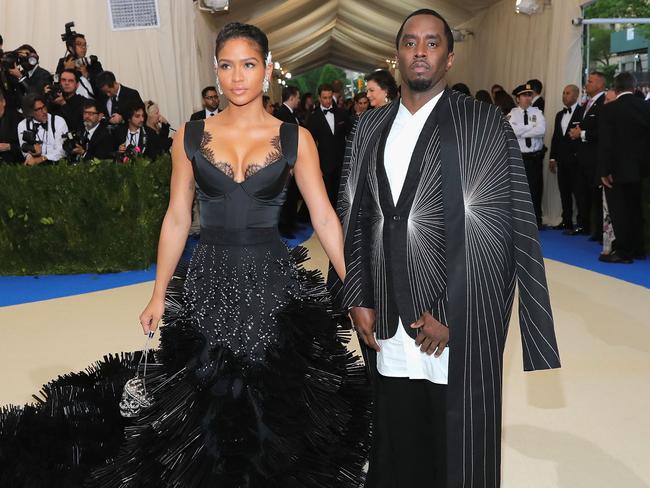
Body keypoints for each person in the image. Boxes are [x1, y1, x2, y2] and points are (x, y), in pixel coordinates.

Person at [0, 22, 370, 487]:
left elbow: (324, 217)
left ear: (267, 70)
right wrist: (157, 295)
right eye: (228, 66)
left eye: (249, 65)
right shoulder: (190, 137)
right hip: (208, 282)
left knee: (273, 401)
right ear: (216, 70)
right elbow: (177, 217)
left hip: (274, 286)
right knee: (207, 402)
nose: (238, 76)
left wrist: (356, 292)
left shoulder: (296, 138)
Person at [329, 9, 560, 488]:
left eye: (432, 43)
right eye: (410, 42)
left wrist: (460, 314)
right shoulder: (370, 128)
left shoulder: (481, 125)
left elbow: (499, 230)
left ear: (450, 58)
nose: (420, 51)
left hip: (450, 327)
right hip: (389, 317)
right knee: (395, 442)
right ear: (396, 55)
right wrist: (357, 297)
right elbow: (355, 216)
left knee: (455, 449)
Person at [598, 72, 650, 263]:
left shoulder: (609, 110)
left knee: (620, 213)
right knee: (636, 210)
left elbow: (605, 144)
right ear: (634, 87)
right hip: (640, 170)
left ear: (616, 88)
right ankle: (638, 249)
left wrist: (603, 171)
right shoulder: (645, 107)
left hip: (616, 171)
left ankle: (624, 252)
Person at [569, 71, 606, 238]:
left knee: (595, 197)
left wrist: (581, 134)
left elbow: (600, 131)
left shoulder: (604, 102)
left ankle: (597, 230)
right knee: (582, 193)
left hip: (595, 158)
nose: (587, 84)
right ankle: (584, 225)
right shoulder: (586, 103)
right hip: (583, 157)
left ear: (599, 84)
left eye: (590, 81)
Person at [306, 82, 351, 206]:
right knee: (327, 196)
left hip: (342, 162)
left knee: (342, 195)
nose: (327, 101)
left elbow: (350, 136)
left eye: (330, 97)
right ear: (319, 98)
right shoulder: (313, 118)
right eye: (324, 98)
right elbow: (310, 145)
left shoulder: (342, 113)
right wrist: (316, 166)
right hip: (324, 164)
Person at [508, 83, 546, 229]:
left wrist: (521, 130)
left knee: (536, 190)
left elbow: (541, 131)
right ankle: (521, 222)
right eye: (524, 95)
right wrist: (530, 127)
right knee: (519, 191)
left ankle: (537, 220)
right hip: (519, 158)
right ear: (518, 98)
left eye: (530, 95)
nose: (528, 98)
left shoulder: (537, 112)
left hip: (534, 158)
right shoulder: (512, 113)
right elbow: (512, 131)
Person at [549, 84, 583, 231]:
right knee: (564, 192)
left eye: (567, 93)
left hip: (577, 161)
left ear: (576, 96)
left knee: (579, 193)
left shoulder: (582, 113)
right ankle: (566, 221)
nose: (564, 95)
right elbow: (556, 138)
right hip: (562, 161)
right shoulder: (559, 115)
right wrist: (552, 158)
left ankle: (582, 224)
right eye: (563, 93)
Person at [17, 93, 68, 164]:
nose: (44, 111)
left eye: (44, 107)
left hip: (56, 164)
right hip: (34, 165)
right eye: (39, 109)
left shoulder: (58, 121)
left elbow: (62, 151)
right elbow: (24, 149)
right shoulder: (23, 125)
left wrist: (42, 158)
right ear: (30, 112)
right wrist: (30, 156)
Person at [0, 90, 24, 163]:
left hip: (15, 166)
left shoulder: (19, 119)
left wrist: (9, 147)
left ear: (3, 102)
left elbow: (31, 148)